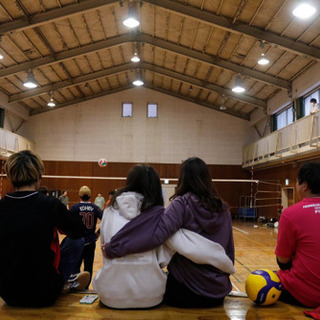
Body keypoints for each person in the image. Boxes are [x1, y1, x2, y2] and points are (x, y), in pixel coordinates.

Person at [103, 157, 235, 308]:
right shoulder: (223, 209)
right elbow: (229, 249)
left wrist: (113, 248)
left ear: (183, 177)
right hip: (217, 292)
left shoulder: (182, 204)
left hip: (185, 291)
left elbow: (157, 235)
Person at [0, 150, 89, 307]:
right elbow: (79, 232)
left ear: (10, 175)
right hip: (44, 293)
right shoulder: (50, 205)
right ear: (39, 175)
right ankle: (65, 281)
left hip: (8, 294)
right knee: (77, 242)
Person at [275, 162, 320, 308]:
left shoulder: (290, 214)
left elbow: (283, 260)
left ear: (304, 185)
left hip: (309, 294)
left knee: (259, 281)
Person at [71, 186, 103, 288]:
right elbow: (107, 221)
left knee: (75, 266)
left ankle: (76, 287)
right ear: (90, 196)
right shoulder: (95, 208)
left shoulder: (75, 208)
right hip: (90, 242)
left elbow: (68, 223)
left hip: (77, 242)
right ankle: (86, 288)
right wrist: (98, 233)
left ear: (79, 195)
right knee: (88, 267)